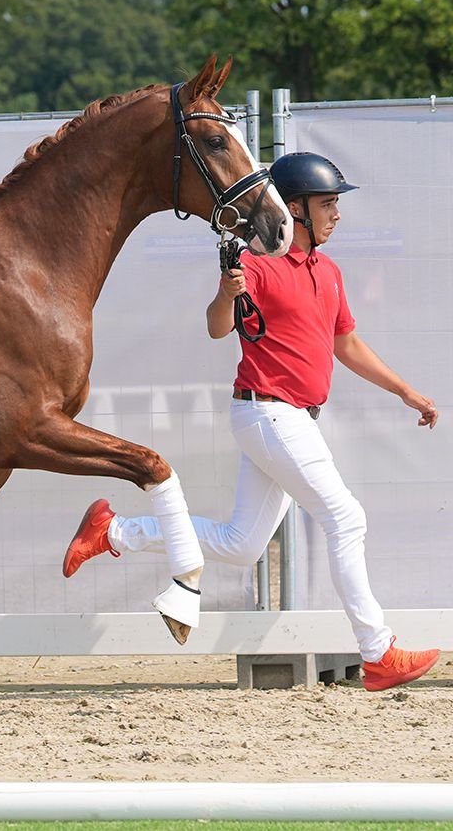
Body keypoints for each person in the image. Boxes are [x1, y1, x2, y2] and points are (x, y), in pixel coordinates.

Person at [62, 151, 441, 692]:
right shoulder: (258, 265)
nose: (338, 214)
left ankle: (112, 531)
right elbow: (219, 327)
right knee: (347, 519)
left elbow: (346, 344)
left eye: (337, 204)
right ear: (295, 210)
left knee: (241, 545)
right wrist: (225, 293)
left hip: (289, 419)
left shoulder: (328, 271)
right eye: (328, 204)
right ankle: (377, 651)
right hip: (269, 413)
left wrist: (406, 391)